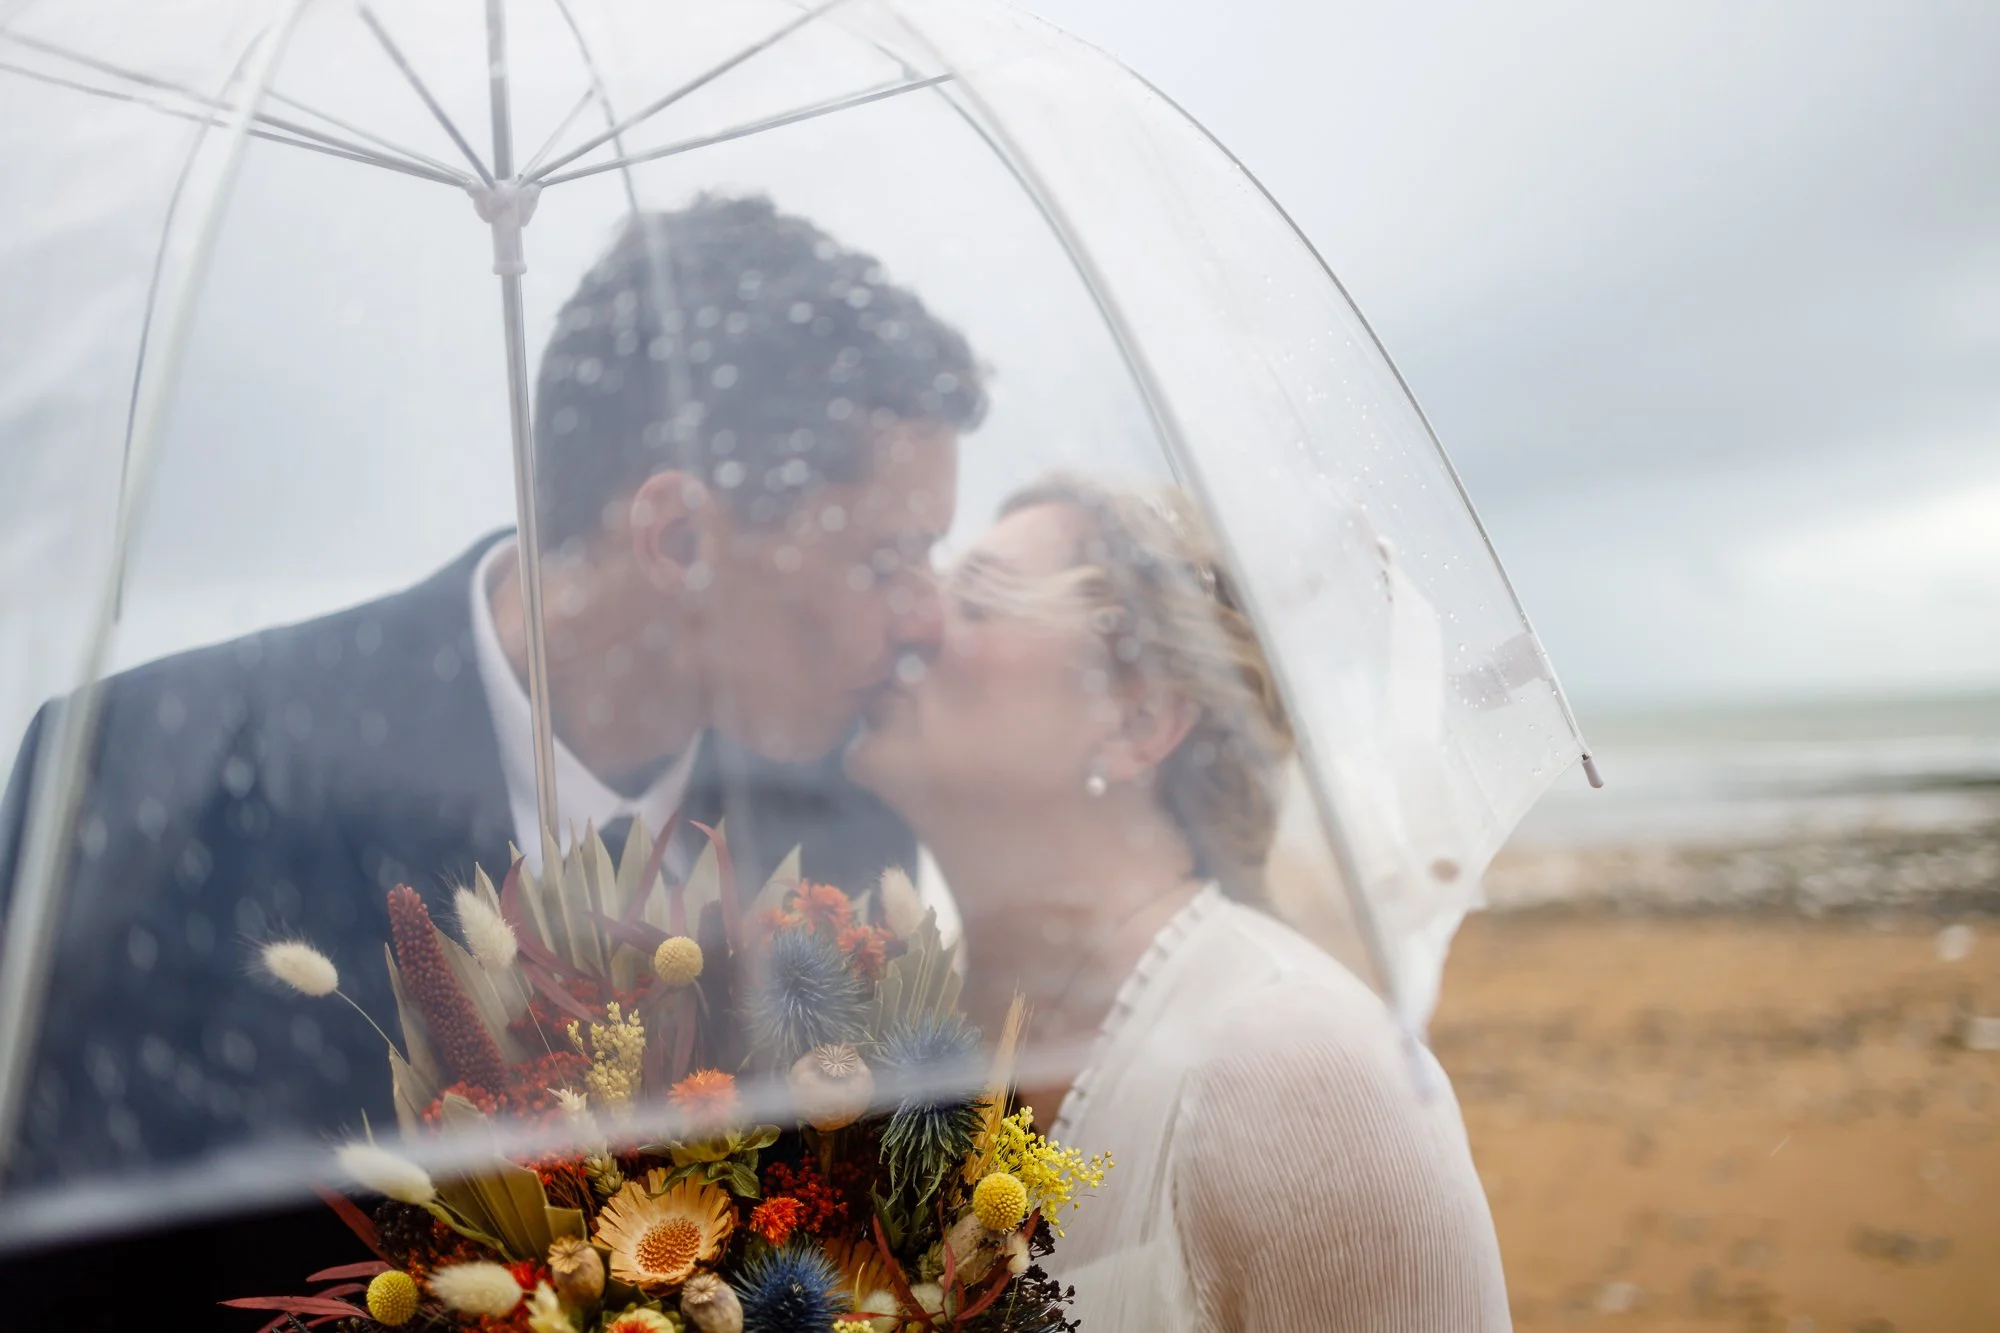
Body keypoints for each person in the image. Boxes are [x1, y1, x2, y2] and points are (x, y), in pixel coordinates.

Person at [0, 194, 984, 1186]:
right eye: (889, 557)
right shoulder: (155, 767)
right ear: (678, 537)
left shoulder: (849, 820)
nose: (928, 617)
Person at [845, 474, 1511, 1331]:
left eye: (973, 599)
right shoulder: (877, 1044)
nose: (910, 618)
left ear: (1140, 717)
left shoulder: (1307, 1077)